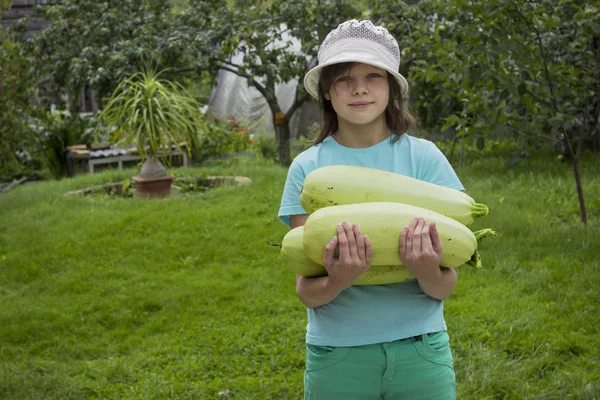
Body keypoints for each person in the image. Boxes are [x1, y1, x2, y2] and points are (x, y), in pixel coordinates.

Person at [278, 19, 464, 399]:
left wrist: (425, 269)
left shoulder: (425, 159)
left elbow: (444, 286)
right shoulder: (307, 169)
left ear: (391, 88)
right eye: (344, 78)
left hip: (421, 350)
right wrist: (338, 279)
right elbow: (307, 292)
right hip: (338, 356)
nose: (359, 87)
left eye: (372, 76)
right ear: (327, 92)